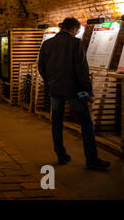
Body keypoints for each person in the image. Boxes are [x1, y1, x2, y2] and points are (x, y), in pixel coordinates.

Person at [38, 17, 110, 170]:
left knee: (56, 122)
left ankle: (61, 154)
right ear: (73, 29)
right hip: (73, 90)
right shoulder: (75, 43)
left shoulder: (47, 44)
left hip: (55, 90)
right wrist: (88, 91)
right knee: (86, 123)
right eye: (77, 31)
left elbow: (41, 67)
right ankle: (91, 159)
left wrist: (49, 82)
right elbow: (81, 70)